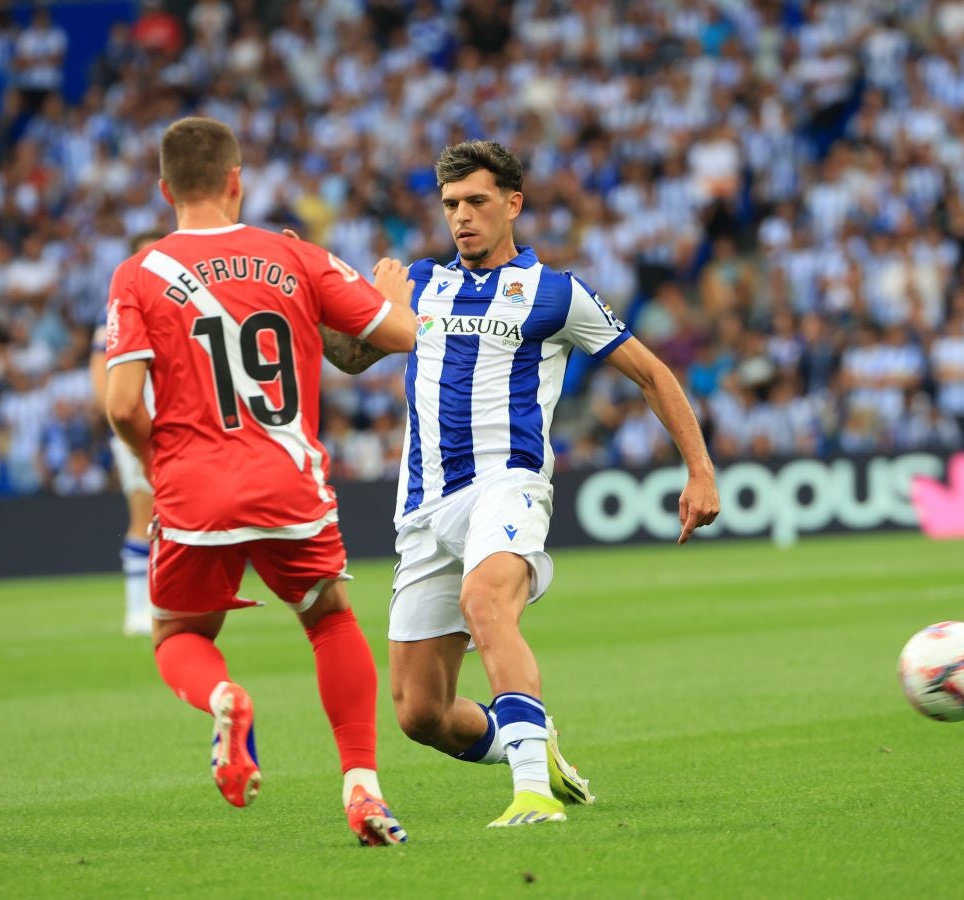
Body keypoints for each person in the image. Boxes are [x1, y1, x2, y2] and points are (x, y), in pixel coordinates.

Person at [322, 141, 721, 828]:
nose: (463, 217)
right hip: (423, 508)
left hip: (508, 486)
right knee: (421, 713)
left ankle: (534, 794)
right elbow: (353, 358)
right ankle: (529, 741)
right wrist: (325, 298)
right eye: (451, 204)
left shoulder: (556, 293)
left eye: (477, 201)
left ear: (513, 203)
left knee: (487, 600)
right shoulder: (420, 283)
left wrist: (700, 468)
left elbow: (653, 374)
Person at [103, 117, 417, 845]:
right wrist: (388, 294)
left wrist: (160, 465)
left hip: (192, 493)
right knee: (329, 617)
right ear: (235, 180)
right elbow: (400, 336)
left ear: (165, 189)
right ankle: (363, 789)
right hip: (289, 482)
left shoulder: (138, 273)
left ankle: (223, 696)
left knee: (177, 633)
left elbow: (120, 404)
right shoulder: (292, 254)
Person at [90, 231, 164, 637]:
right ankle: (138, 609)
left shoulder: (173, 301)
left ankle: (162, 602)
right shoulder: (119, 306)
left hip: (179, 418)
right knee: (145, 508)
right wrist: (118, 419)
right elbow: (100, 367)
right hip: (138, 417)